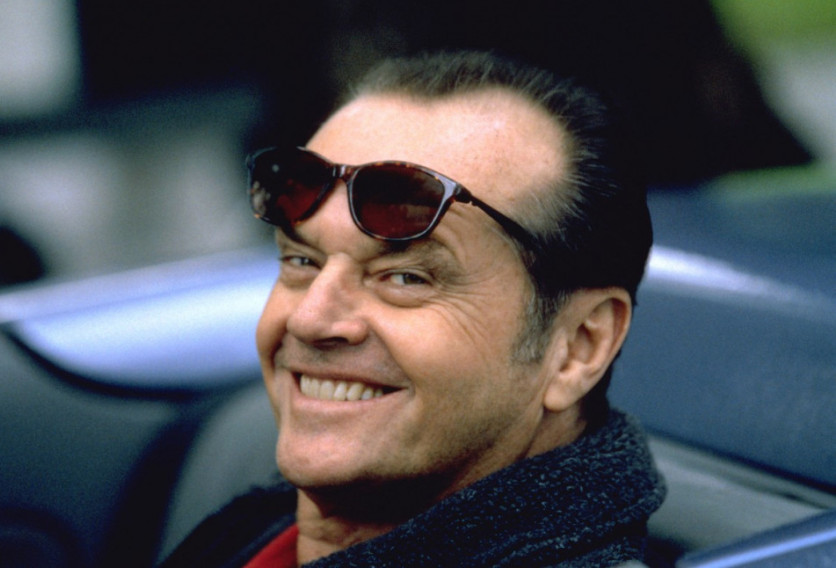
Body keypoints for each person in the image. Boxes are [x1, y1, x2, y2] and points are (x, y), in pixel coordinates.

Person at [160, 50, 665, 567]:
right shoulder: (251, 532)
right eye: (301, 261)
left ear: (579, 346)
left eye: (406, 278)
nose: (309, 319)